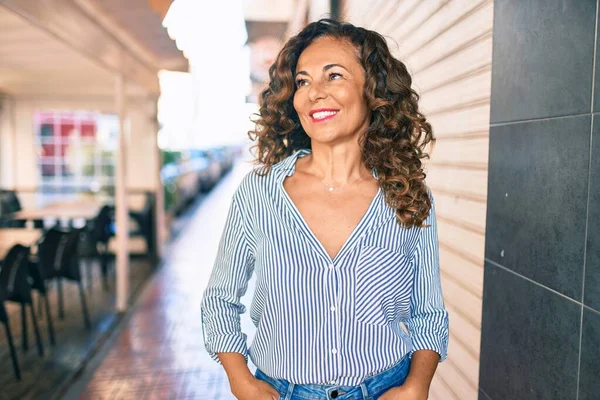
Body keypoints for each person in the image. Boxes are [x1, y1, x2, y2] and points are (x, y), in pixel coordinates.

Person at [201, 18, 449, 400]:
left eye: (333, 76)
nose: (314, 92)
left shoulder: (407, 195)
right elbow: (220, 297)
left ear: (372, 90)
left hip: (384, 390)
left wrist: (417, 385)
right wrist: (240, 379)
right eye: (302, 81)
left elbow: (429, 311)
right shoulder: (260, 193)